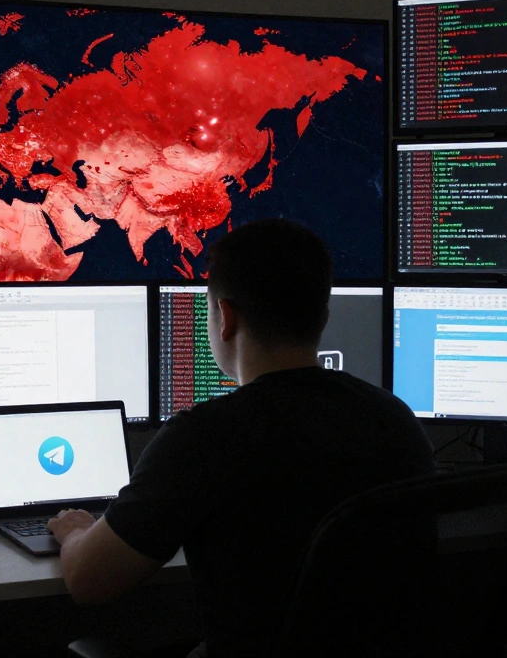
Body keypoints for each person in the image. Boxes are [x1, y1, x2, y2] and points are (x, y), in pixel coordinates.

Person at [48, 218, 435, 656]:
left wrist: (76, 531)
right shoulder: (395, 419)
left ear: (225, 317)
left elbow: (89, 582)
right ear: (323, 316)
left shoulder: (204, 436)